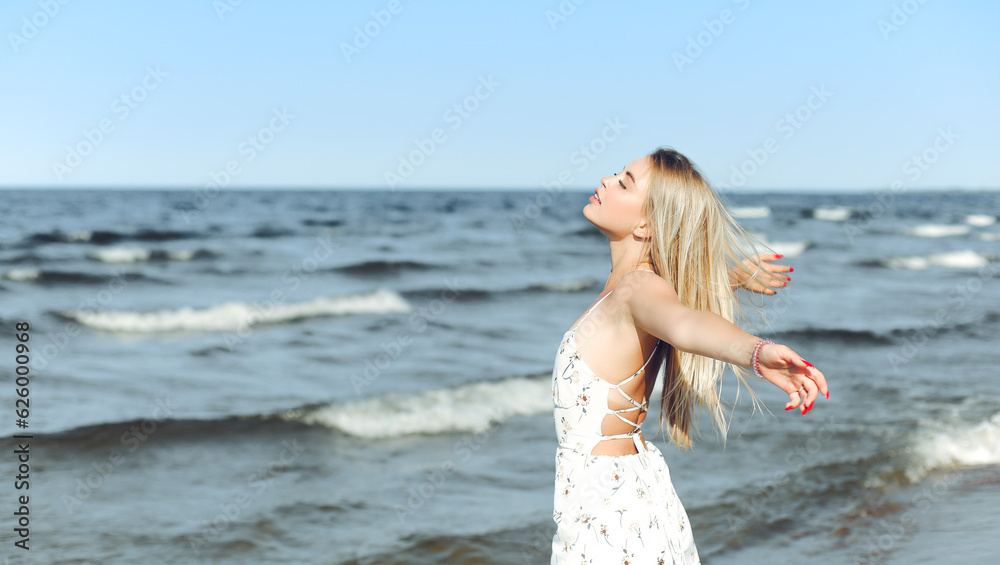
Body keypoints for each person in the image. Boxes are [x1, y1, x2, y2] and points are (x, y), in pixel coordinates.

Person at [549, 147, 829, 563]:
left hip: (610, 511)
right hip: (618, 497)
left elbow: (683, 324)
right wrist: (728, 278)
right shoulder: (631, 287)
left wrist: (756, 352)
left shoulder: (637, 289)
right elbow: (675, 303)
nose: (607, 181)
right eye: (616, 175)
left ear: (646, 224)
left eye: (624, 183)